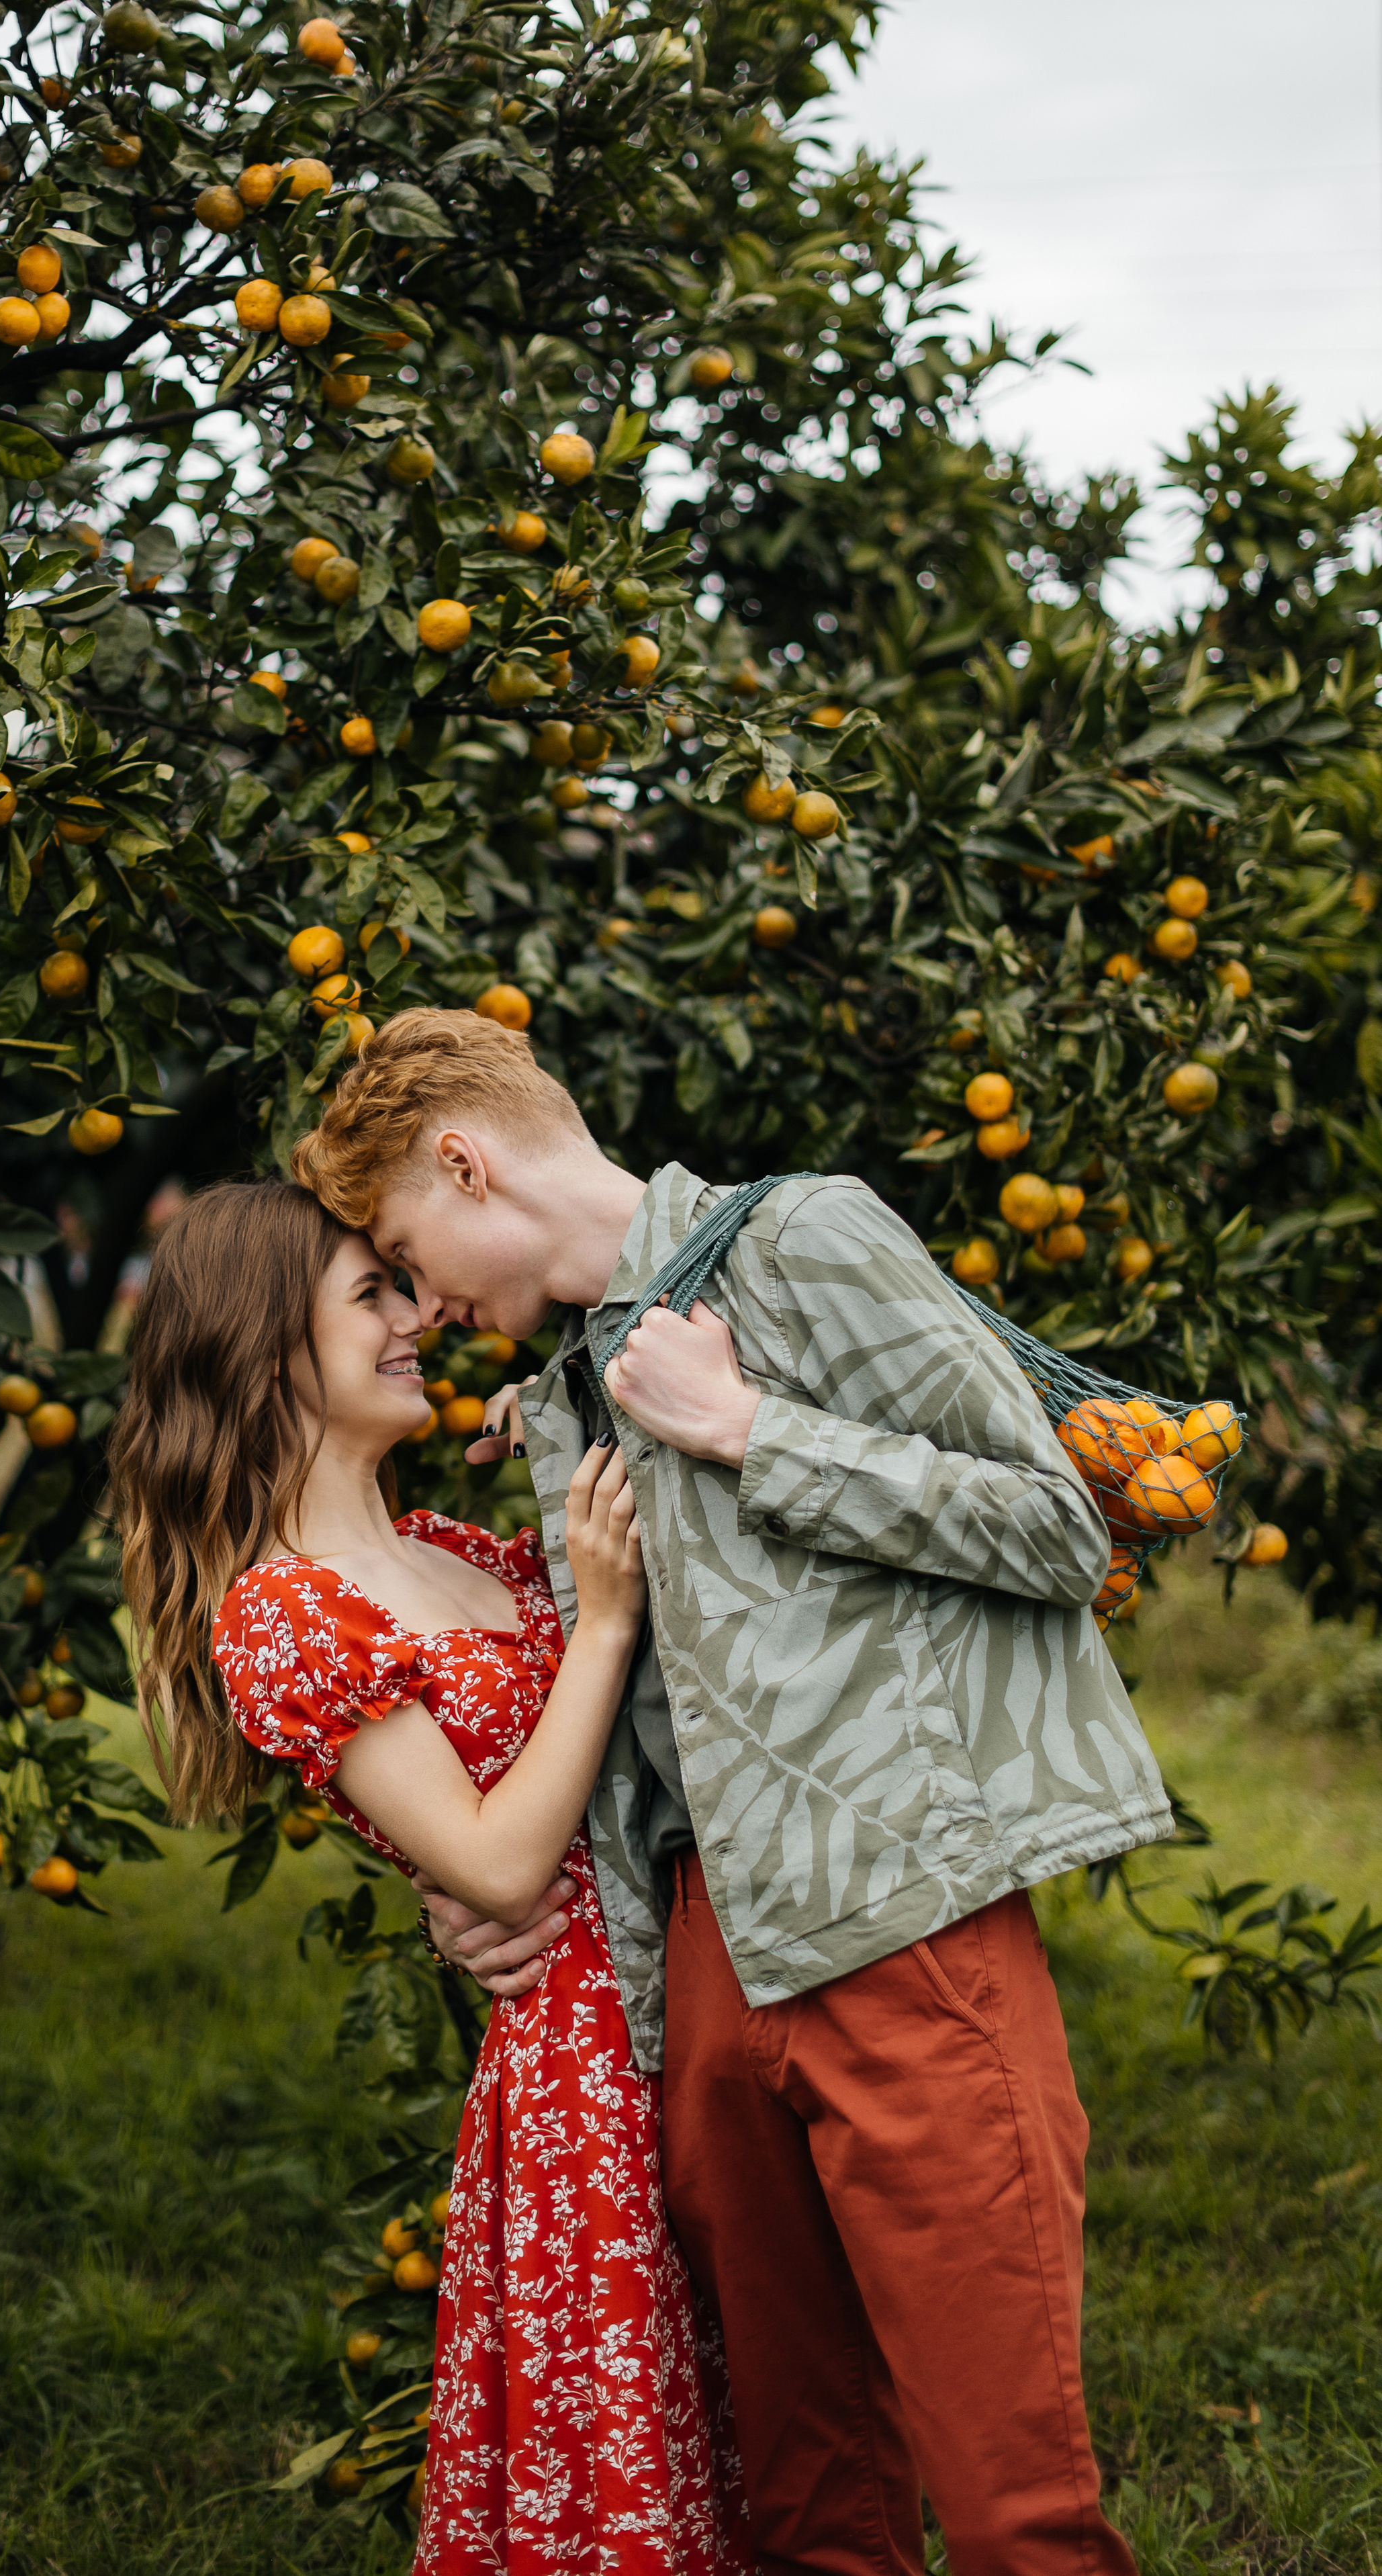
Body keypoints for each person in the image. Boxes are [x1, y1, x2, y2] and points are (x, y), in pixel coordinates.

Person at [292, 1006, 1175, 2576]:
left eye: (406, 1247)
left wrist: (756, 1428)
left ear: (462, 1157)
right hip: (703, 1973)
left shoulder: (800, 1241)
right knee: (801, 2503)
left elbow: (1058, 1529)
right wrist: (473, 1881)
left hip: (904, 1928)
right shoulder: (563, 1392)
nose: (423, 1298)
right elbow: (592, 1698)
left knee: (1011, 2505)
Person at [105, 1178, 750, 2576]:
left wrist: (578, 1430)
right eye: (370, 1297)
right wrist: (599, 1620)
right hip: (584, 2062)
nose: (416, 1319)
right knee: (635, 2461)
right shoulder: (283, 1611)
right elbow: (504, 1862)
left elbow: (574, 1768)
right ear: (270, 1347)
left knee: (744, 2425)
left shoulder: (440, 1548)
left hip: (681, 1990)